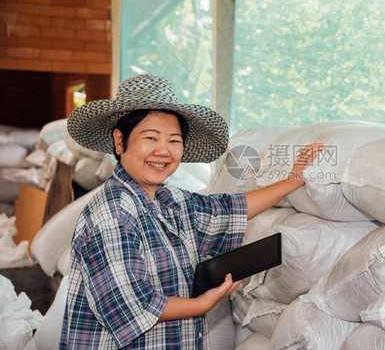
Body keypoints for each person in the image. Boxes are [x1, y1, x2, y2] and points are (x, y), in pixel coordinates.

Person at [59, 73, 323, 349]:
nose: (163, 151)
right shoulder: (112, 214)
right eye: (151, 137)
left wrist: (292, 181)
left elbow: (228, 209)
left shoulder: (171, 200)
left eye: (174, 141)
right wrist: (201, 304)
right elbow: (128, 305)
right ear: (120, 141)